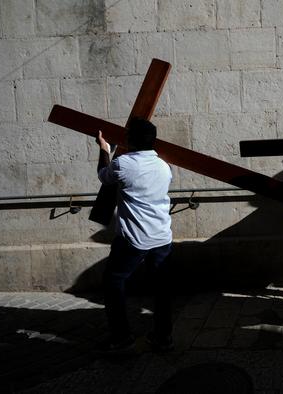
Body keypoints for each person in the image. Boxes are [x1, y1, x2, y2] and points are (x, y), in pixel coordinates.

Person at [95, 118, 174, 353]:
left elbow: (103, 175)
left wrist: (104, 149)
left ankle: (121, 338)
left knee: (113, 282)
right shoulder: (165, 167)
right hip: (162, 237)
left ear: (130, 140)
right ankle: (163, 338)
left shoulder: (124, 164)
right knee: (162, 289)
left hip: (134, 239)